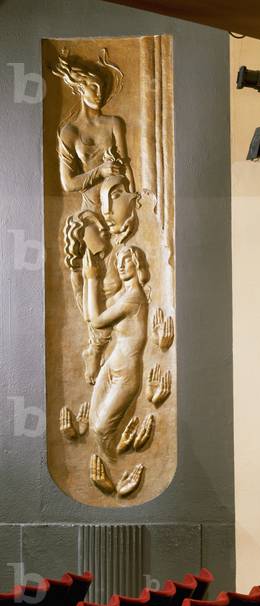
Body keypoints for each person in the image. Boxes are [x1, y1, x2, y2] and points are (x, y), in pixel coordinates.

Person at [84, 245, 150, 456]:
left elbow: (97, 320)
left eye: (127, 260)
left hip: (127, 375)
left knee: (102, 428)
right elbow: (90, 316)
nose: (121, 266)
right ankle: (111, 460)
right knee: (94, 423)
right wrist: (87, 279)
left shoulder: (134, 299)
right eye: (118, 261)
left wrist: (92, 280)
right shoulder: (121, 297)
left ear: (137, 263)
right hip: (111, 365)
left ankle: (115, 462)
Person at [51, 48, 135, 213]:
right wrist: (100, 171)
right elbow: (68, 183)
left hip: (118, 207)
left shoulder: (114, 123)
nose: (99, 93)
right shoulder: (69, 132)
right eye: (93, 87)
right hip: (90, 211)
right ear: (80, 89)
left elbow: (127, 167)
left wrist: (133, 200)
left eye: (101, 88)